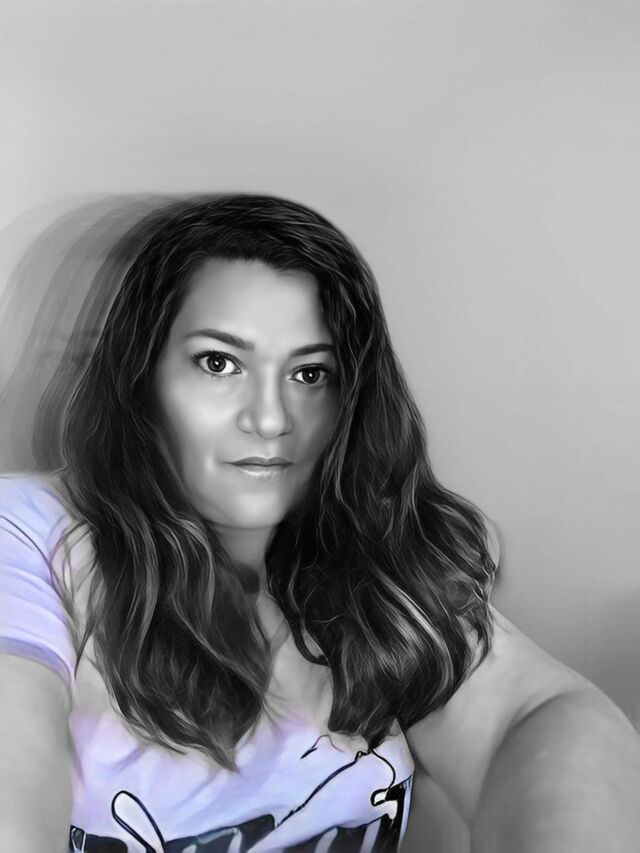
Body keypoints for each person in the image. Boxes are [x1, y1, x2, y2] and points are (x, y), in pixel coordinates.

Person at [0, 194, 638, 853]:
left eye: (309, 373)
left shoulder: (364, 548)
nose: (270, 418)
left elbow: (532, 716)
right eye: (219, 362)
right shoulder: (28, 530)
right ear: (140, 376)